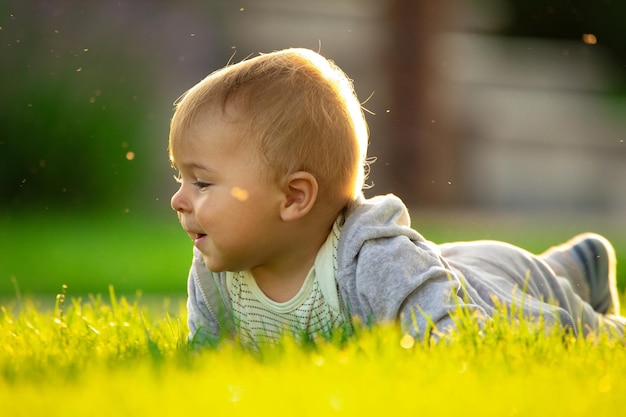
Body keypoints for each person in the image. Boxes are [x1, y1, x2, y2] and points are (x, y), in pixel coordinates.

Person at [168, 47, 624, 346]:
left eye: (202, 183)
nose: (179, 200)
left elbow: (455, 336)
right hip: (440, 262)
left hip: (486, 285)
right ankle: (576, 265)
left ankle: (575, 270)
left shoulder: (373, 260)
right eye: (180, 179)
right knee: (544, 276)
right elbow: (206, 356)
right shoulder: (216, 271)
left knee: (567, 326)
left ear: (293, 198)